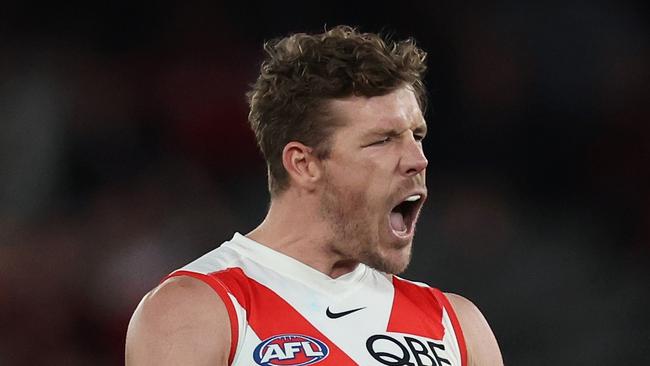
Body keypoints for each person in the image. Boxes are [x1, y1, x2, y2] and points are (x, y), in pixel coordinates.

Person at [126, 25, 503, 366]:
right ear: (303, 164)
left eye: (417, 136)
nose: (417, 160)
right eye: (383, 140)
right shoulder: (197, 310)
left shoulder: (456, 325)